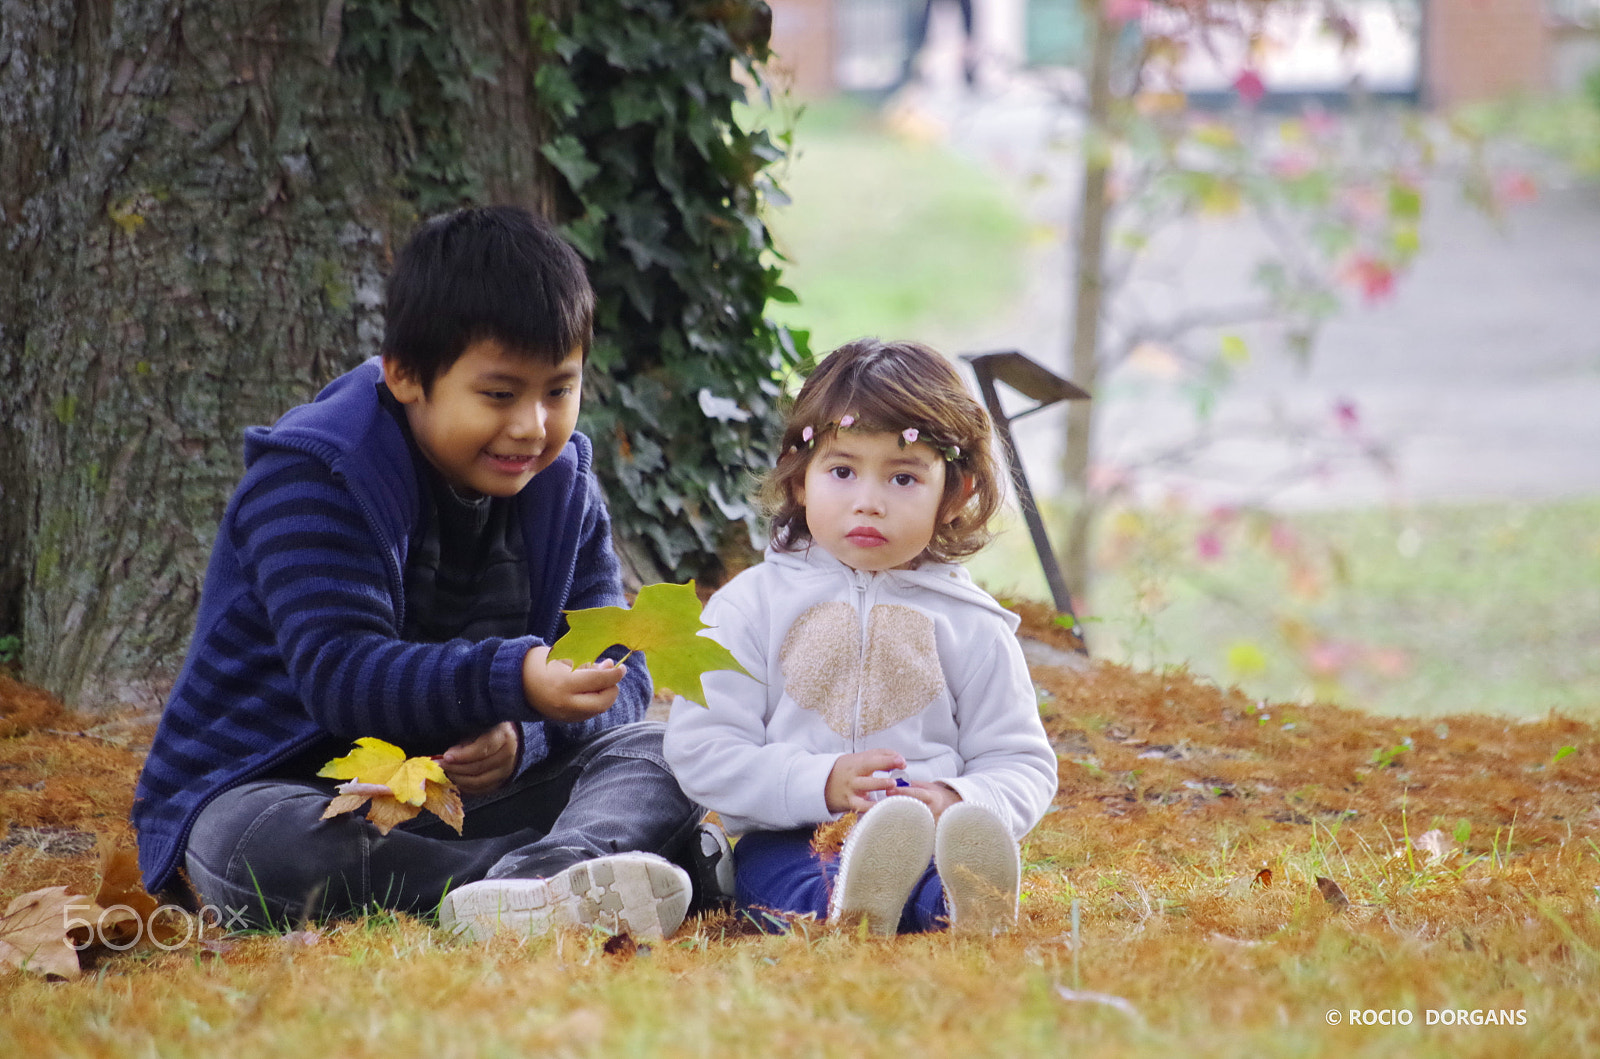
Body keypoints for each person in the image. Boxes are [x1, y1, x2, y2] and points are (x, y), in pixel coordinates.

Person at [132, 205, 710, 942]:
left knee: (668, 750)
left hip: (475, 798)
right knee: (246, 846)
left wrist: (523, 738)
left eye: (558, 390)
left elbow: (617, 669)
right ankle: (546, 880)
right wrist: (519, 680)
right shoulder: (318, 477)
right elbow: (341, 675)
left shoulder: (562, 484)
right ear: (406, 374)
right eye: (498, 394)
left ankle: (554, 871)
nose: (532, 425)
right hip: (298, 788)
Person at [663, 338, 1058, 935]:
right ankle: (853, 910)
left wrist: (958, 798)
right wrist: (819, 783)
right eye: (843, 471)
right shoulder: (751, 607)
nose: (868, 503)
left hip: (924, 837)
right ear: (800, 481)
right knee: (781, 883)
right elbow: (703, 748)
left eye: (903, 478)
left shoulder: (971, 625)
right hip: (790, 834)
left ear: (954, 495)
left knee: (935, 875)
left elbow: (1020, 761)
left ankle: (962, 906)